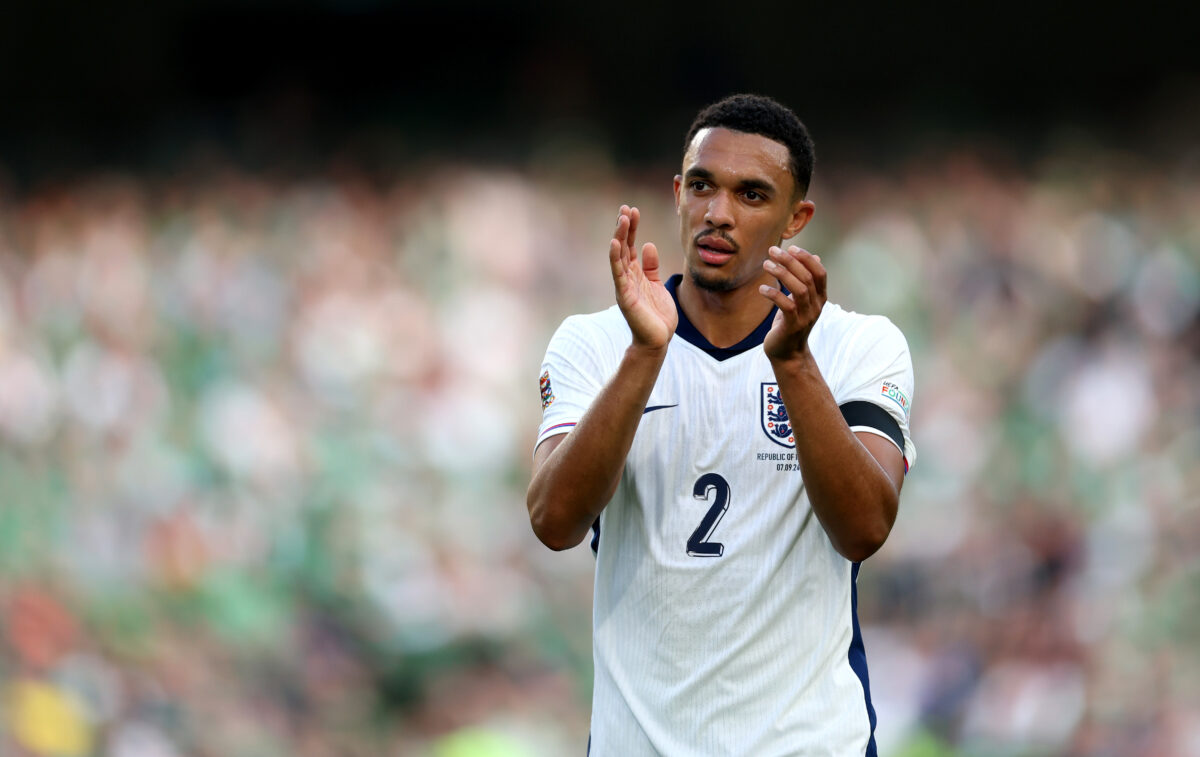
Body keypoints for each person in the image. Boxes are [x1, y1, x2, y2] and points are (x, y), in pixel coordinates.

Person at [527, 93, 916, 756]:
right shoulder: (595, 342)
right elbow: (554, 520)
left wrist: (792, 363)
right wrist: (645, 354)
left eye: (752, 194)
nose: (719, 213)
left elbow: (864, 527)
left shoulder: (860, 346)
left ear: (798, 217)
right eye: (703, 186)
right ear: (678, 192)